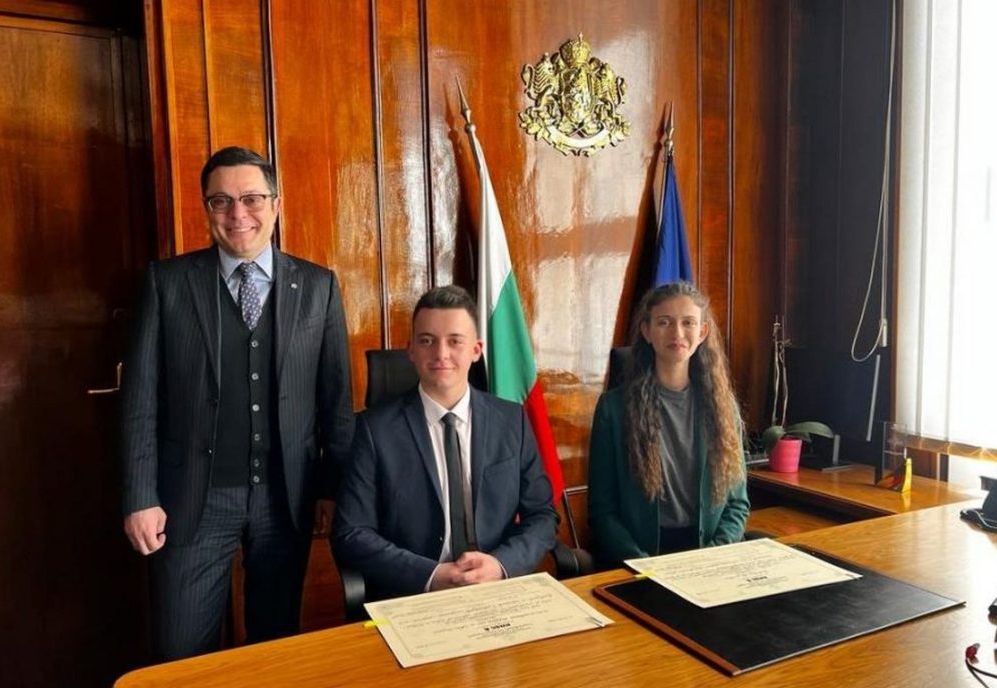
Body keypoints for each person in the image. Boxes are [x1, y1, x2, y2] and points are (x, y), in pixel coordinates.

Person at [120, 146, 355, 660]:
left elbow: (336, 401)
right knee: (181, 652)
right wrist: (140, 496)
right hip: (190, 499)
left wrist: (331, 488)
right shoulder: (168, 283)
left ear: (276, 204)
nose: (237, 214)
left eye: (251, 199)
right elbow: (140, 401)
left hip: (286, 499)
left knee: (274, 647)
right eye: (221, 201)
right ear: (207, 208)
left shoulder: (318, 286)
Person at [331, 285, 557, 600]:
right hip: (414, 595)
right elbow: (352, 532)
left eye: (455, 341)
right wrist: (431, 575)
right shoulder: (374, 430)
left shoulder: (511, 421)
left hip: (496, 588)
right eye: (427, 341)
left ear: (476, 350)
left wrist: (499, 565)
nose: (441, 354)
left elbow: (542, 515)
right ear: (411, 350)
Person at [588, 282, 749, 567]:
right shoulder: (613, 409)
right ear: (647, 331)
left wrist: (715, 554)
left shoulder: (723, 408)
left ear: (702, 332)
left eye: (688, 323)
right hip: (639, 560)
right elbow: (602, 511)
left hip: (708, 556)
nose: (677, 333)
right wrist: (641, 564)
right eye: (664, 322)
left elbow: (736, 503)